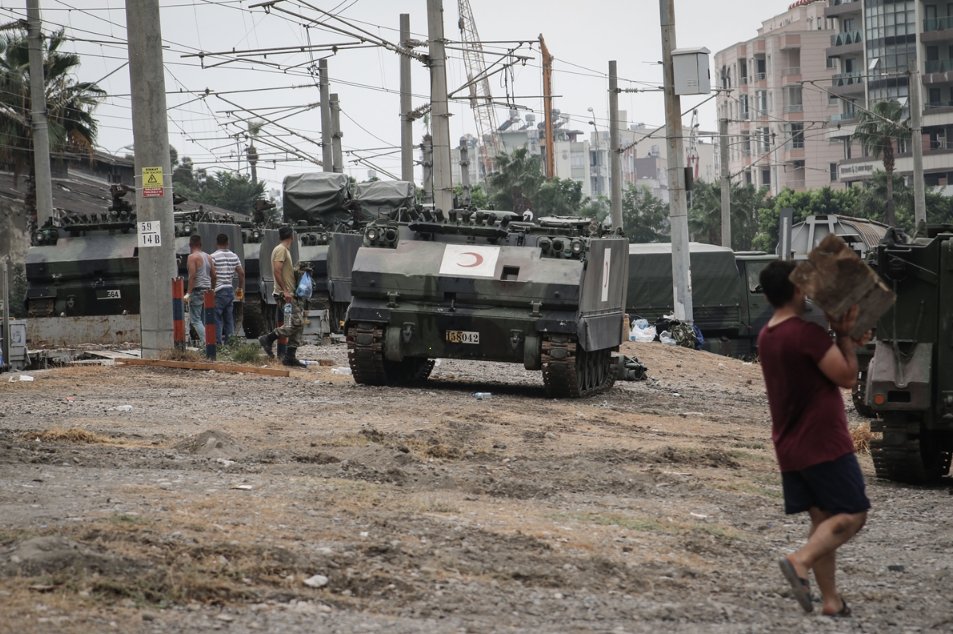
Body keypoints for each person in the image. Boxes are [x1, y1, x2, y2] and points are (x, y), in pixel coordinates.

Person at [757, 260, 870, 617]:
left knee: (823, 522)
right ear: (795, 290)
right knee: (853, 514)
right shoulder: (805, 335)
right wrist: (844, 337)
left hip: (790, 445)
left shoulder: (768, 335)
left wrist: (838, 334)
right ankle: (799, 560)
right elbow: (848, 377)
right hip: (822, 443)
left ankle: (832, 602)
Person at [258, 226, 306, 367]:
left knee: (298, 324)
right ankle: (268, 338)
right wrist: (285, 291)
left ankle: (290, 356)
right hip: (284, 295)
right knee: (297, 322)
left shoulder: (285, 250)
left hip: (290, 294)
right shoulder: (280, 250)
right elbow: (277, 270)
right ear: (291, 236)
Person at [210, 233, 245, 345]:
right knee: (229, 319)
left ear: (217, 243)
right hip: (230, 290)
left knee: (217, 318)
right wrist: (239, 288)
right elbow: (241, 274)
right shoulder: (234, 256)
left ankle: (218, 343)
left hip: (218, 290)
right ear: (227, 243)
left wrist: (212, 289)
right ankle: (230, 344)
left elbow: (214, 275)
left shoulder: (213, 257)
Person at [185, 234, 216, 345]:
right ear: (200, 244)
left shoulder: (192, 257)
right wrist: (212, 289)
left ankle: (207, 343)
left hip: (197, 290)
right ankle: (210, 342)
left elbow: (192, 276)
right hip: (207, 290)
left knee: (195, 320)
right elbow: (214, 275)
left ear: (190, 245)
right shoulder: (208, 257)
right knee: (204, 320)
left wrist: (188, 293)